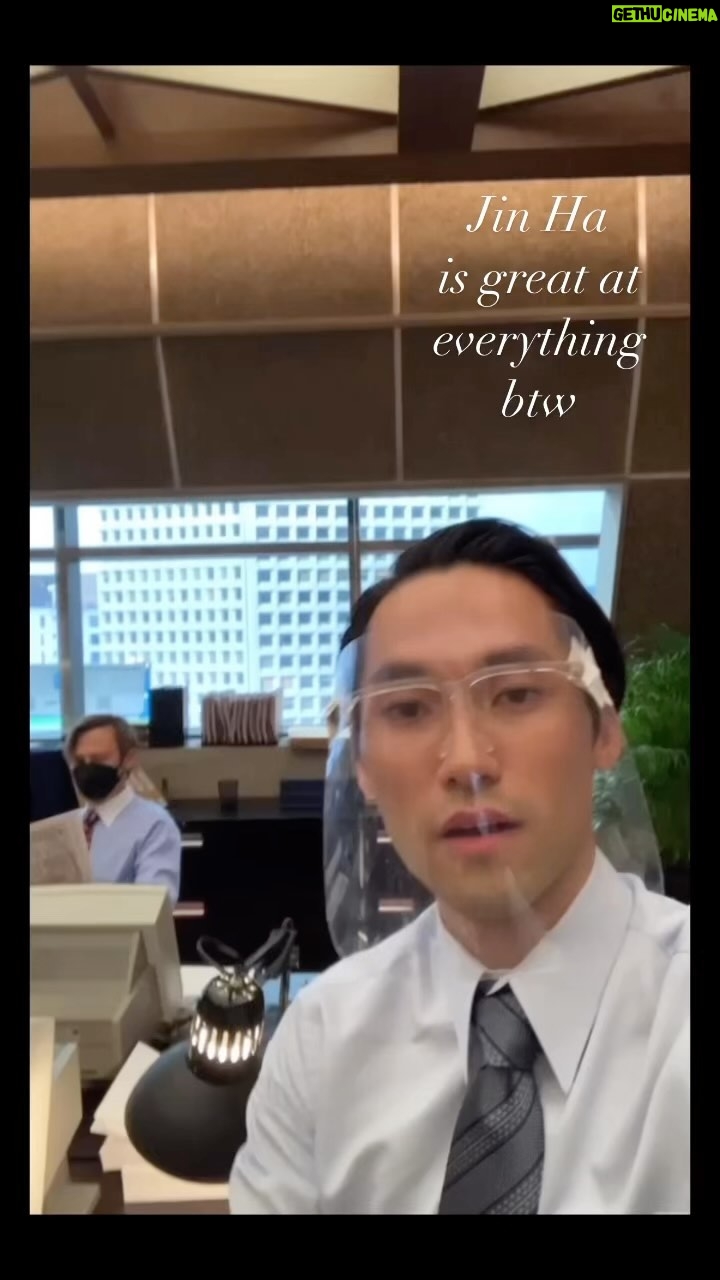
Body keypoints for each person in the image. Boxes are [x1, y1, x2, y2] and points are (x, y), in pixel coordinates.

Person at [229, 519, 690, 1215]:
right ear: (363, 766)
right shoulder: (322, 1041)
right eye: (408, 709)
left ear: (604, 728)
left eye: (516, 694)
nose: (467, 761)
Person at [65, 714, 182, 906]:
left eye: (99, 758)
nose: (87, 768)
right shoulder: (67, 827)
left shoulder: (155, 825)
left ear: (129, 759)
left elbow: (153, 906)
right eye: (79, 761)